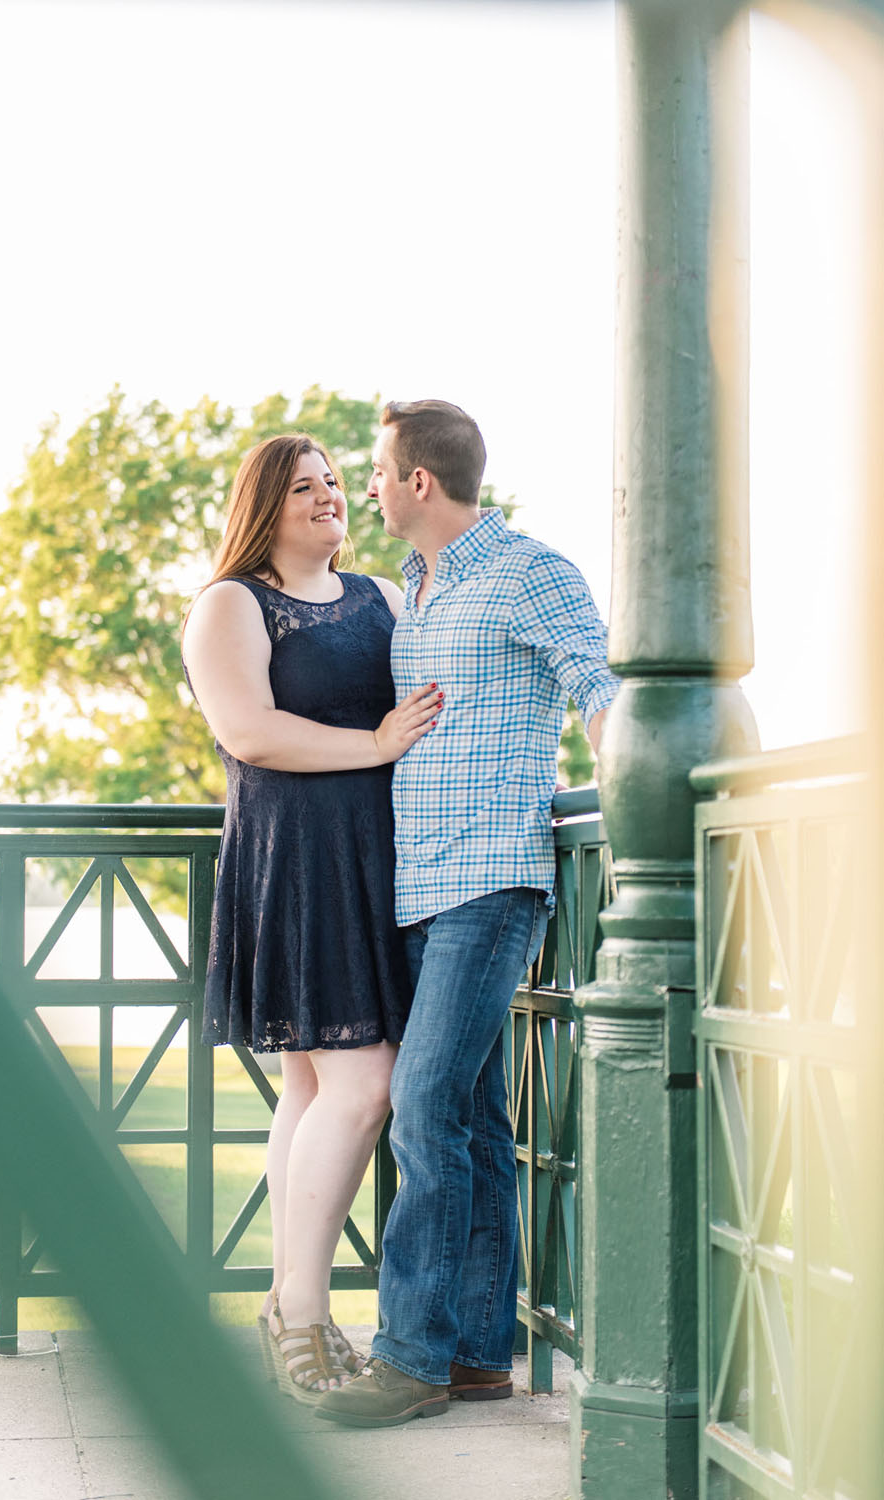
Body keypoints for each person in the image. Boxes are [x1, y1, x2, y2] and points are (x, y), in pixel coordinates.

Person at [317, 400, 619, 1428]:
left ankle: (407, 1358)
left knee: (423, 1104)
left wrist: (637, 790)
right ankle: (478, 1354)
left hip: (491, 878)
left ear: (416, 482)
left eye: (372, 472)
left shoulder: (531, 571)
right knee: (478, 1126)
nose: (361, 489)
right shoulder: (413, 585)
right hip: (414, 886)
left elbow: (597, 684)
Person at [181, 432, 443, 1406]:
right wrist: (373, 742)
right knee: (362, 1084)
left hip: (378, 860)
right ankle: (300, 1307)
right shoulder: (231, 604)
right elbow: (247, 731)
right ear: (264, 505)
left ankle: (288, 1305)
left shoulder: (379, 595)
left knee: (309, 1083)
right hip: (294, 864)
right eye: (303, 487)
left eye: (334, 482)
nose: (328, 496)